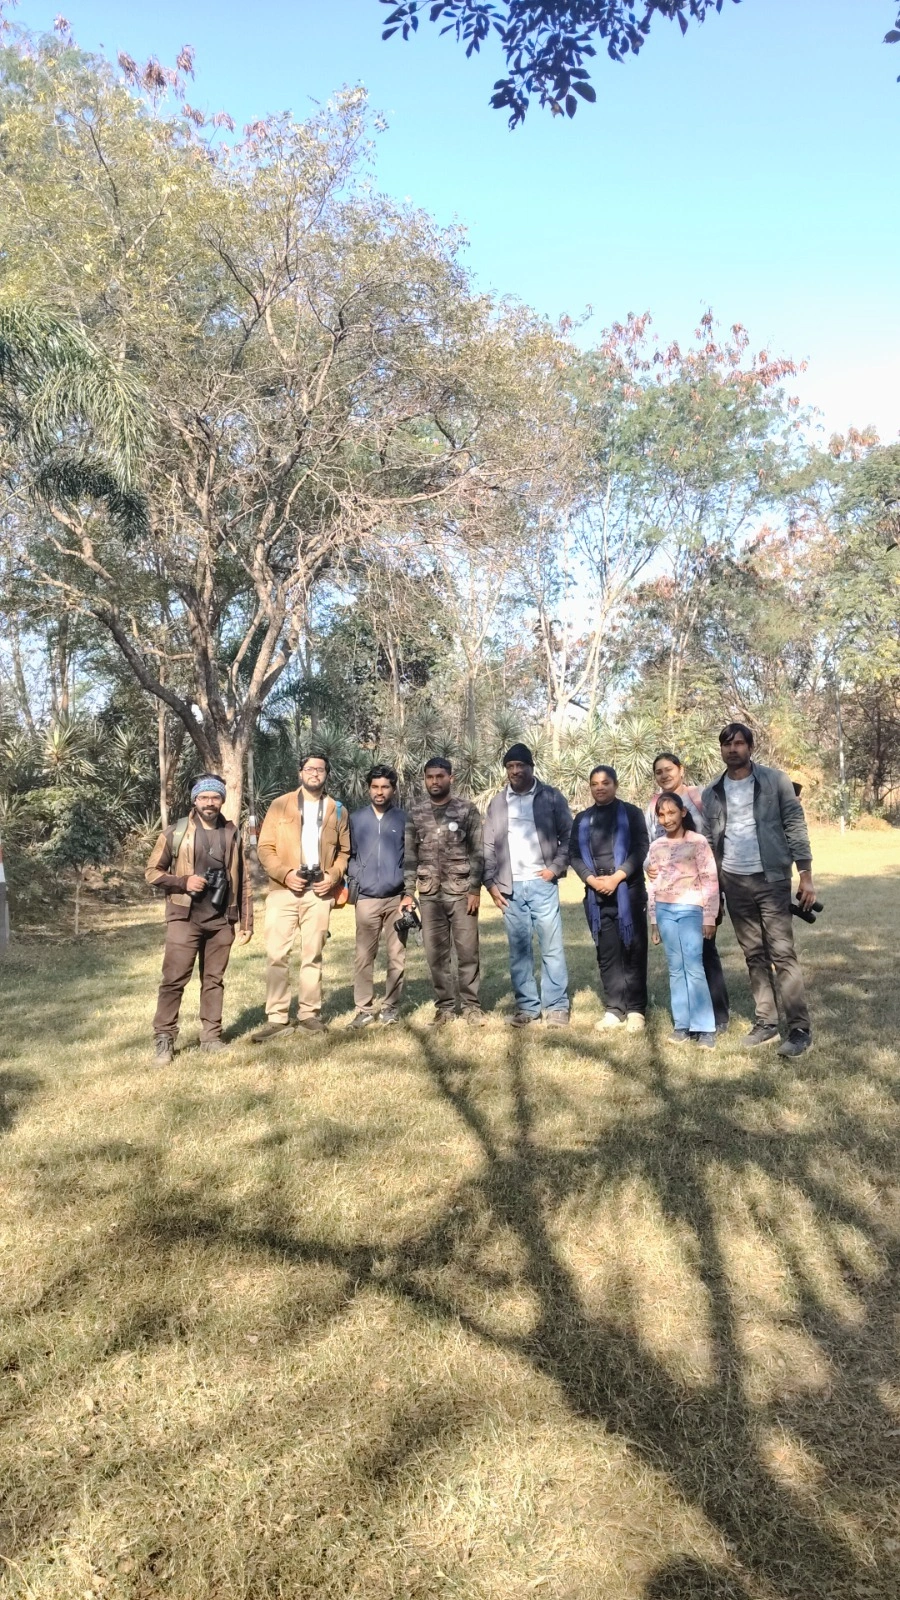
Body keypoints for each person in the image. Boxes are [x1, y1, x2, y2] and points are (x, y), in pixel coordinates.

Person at [701, 722, 816, 1058]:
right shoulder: (712, 792)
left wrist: (805, 875)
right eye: (727, 744)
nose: (733, 749)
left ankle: (799, 1029)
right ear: (721, 749)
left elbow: (795, 824)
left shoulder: (775, 781)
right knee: (754, 955)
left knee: (782, 953)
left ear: (750, 747)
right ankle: (766, 1022)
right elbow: (708, 842)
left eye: (739, 743)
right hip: (733, 882)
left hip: (771, 879)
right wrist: (714, 890)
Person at [146, 774, 253, 1063]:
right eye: (204, 797)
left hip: (220, 920)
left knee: (214, 980)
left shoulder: (231, 833)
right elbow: (152, 872)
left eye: (215, 797)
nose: (209, 802)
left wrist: (246, 922)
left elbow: (243, 879)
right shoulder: (176, 832)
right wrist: (184, 882)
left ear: (222, 800)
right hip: (185, 917)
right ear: (195, 800)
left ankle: (211, 1037)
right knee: (173, 980)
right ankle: (164, 1038)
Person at [251, 751, 350, 1039]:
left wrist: (332, 876)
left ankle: (309, 1015)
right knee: (277, 954)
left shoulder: (337, 809)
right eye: (309, 769)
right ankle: (277, 1018)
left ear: (326, 774)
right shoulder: (280, 805)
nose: (314, 773)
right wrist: (285, 874)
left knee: (312, 954)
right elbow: (265, 848)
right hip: (283, 891)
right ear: (300, 773)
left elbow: (345, 852)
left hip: (318, 892)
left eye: (320, 769)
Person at [482, 742, 572, 1027]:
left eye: (520, 765)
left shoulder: (551, 797)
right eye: (510, 766)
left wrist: (554, 869)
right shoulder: (498, 803)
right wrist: (491, 884)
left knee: (551, 948)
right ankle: (528, 1008)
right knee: (519, 951)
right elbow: (487, 846)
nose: (515, 771)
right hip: (510, 888)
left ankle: (556, 1007)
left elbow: (568, 836)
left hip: (542, 884)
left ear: (531, 767)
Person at [645, 750, 730, 1031]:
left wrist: (713, 900)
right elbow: (651, 846)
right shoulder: (653, 805)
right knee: (681, 962)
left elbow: (716, 835)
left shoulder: (699, 797)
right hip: (668, 897)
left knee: (704, 953)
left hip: (700, 889)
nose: (664, 775)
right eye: (658, 772)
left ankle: (716, 1016)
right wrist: (649, 867)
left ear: (680, 769)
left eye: (668, 769)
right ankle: (687, 1020)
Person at [402, 756, 485, 1027]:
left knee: (468, 952)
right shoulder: (416, 813)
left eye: (440, 776)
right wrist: (408, 892)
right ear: (425, 780)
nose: (434, 781)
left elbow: (478, 852)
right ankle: (445, 1007)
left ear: (451, 778)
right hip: (429, 895)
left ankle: (471, 1006)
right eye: (430, 777)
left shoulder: (466, 810)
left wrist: (475, 889)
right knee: (436, 955)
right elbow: (410, 856)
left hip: (461, 893)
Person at [570, 765, 649, 1032]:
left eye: (605, 783)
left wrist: (617, 877)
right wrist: (592, 880)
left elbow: (641, 848)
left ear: (615, 785)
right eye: (594, 784)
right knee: (607, 953)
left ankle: (636, 1009)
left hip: (629, 892)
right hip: (596, 894)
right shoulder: (583, 819)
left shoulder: (631, 813)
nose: (600, 788)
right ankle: (614, 1008)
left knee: (633, 951)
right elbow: (574, 854)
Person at [647, 793, 720, 1049]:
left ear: (683, 812)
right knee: (675, 968)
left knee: (694, 967)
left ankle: (705, 1028)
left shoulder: (697, 842)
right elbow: (652, 884)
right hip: (665, 911)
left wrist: (709, 916)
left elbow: (709, 879)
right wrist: (654, 920)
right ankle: (682, 1025)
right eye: (661, 815)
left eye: (671, 813)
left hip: (691, 910)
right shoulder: (656, 846)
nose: (667, 819)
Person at [347, 765, 408, 1029]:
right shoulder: (356, 819)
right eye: (374, 787)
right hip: (366, 898)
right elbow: (348, 854)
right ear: (368, 788)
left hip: (397, 899)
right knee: (364, 956)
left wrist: (408, 893)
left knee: (396, 955)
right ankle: (363, 1008)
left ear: (393, 789)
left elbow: (412, 857)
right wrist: (357, 878)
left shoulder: (404, 819)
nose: (379, 792)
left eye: (385, 787)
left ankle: (390, 1007)